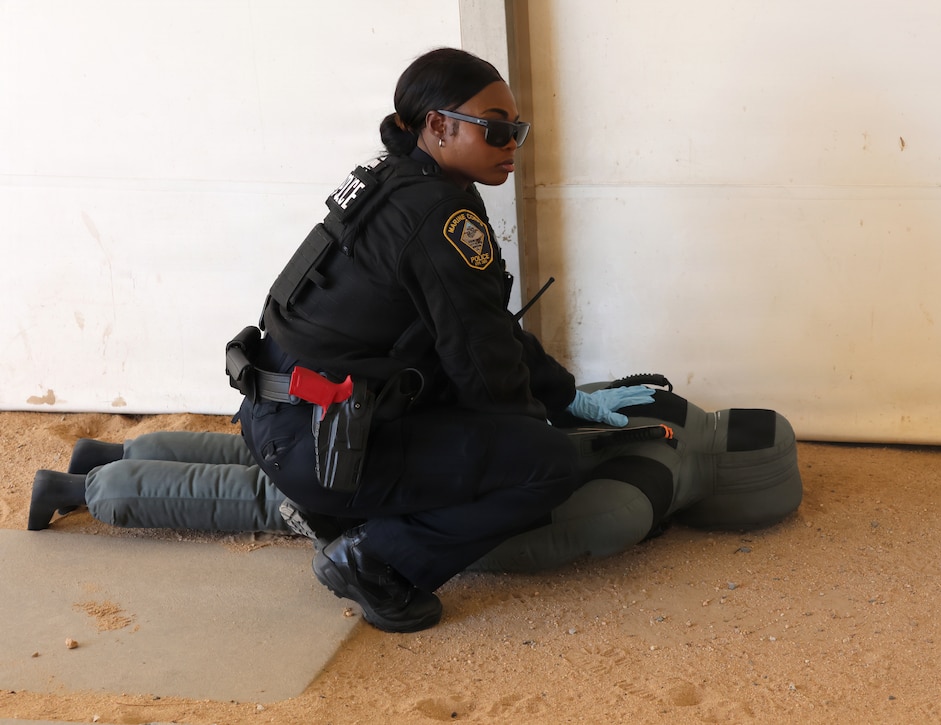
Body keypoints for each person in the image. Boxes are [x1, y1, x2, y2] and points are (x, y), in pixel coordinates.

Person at [228, 48, 655, 633]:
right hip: (320, 444)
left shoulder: (396, 181)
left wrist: (564, 394)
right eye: (498, 127)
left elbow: (481, 324)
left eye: (517, 129)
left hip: (284, 418)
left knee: (479, 411)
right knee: (546, 466)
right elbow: (484, 365)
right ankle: (372, 559)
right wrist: (536, 430)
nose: (512, 143)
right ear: (438, 126)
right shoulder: (440, 215)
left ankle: (329, 512)